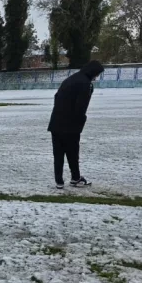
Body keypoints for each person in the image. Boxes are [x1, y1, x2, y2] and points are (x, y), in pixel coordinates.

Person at [47, 60, 105, 189]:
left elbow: (57, 97)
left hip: (56, 122)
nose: (96, 77)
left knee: (58, 154)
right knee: (73, 153)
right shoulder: (85, 84)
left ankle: (59, 181)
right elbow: (81, 107)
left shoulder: (70, 79)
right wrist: (80, 121)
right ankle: (75, 178)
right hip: (70, 125)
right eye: (97, 74)